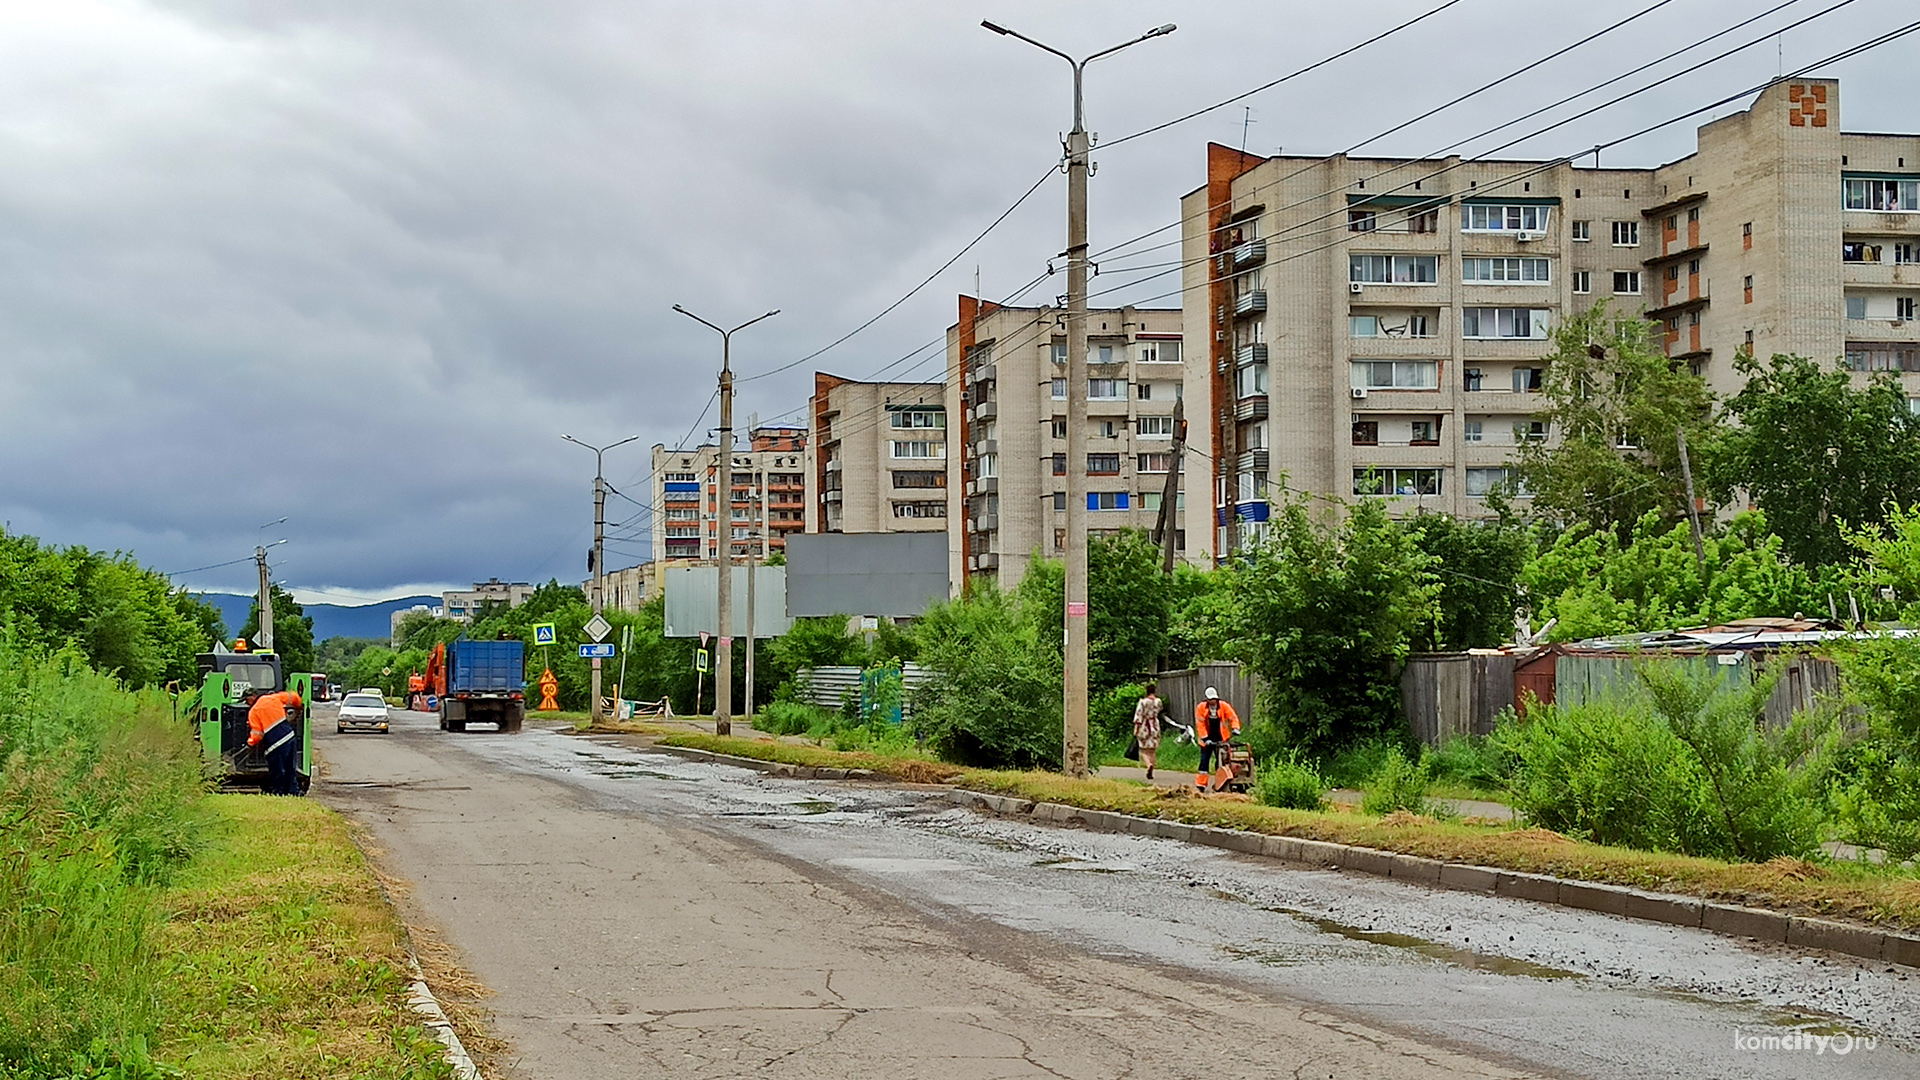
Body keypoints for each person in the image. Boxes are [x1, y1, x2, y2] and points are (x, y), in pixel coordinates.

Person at [246, 687, 305, 795]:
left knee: (277, 769)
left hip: (276, 743)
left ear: (252, 698)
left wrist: (249, 744)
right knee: (290, 768)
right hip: (290, 736)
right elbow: (293, 697)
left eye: (246, 701)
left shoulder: (253, 711)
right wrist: (298, 707)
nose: (247, 704)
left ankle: (278, 792)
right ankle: (293, 791)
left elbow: (257, 735)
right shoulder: (272, 698)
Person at [1192, 686, 1241, 793]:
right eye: (1210, 700)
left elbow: (1233, 717)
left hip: (1221, 739)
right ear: (1207, 700)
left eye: (1214, 699)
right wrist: (1205, 738)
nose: (1212, 701)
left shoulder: (1224, 706)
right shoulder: (1201, 708)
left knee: (1222, 762)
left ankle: (1221, 783)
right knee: (1204, 762)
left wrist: (1235, 728)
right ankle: (1201, 785)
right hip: (1206, 740)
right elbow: (1200, 724)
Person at [1132, 683, 1165, 780]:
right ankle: (1152, 769)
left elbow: (1139, 715)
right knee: (1153, 750)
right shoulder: (1158, 702)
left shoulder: (1143, 702)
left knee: (1143, 750)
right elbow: (1159, 712)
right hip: (1154, 725)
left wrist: (1136, 729)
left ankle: (1148, 765)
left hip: (1144, 726)